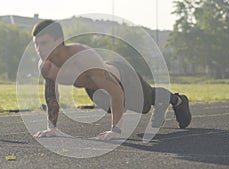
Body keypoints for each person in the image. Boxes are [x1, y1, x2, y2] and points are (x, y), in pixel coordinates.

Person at [32, 20, 192, 140]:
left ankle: (178, 101)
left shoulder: (83, 58)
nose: (39, 49)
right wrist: (51, 128)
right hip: (96, 86)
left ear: (59, 40)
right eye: (36, 44)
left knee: (144, 105)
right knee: (112, 107)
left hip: (122, 77)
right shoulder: (46, 67)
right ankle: (160, 102)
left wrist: (116, 130)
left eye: (44, 43)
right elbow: (52, 96)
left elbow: (116, 91)